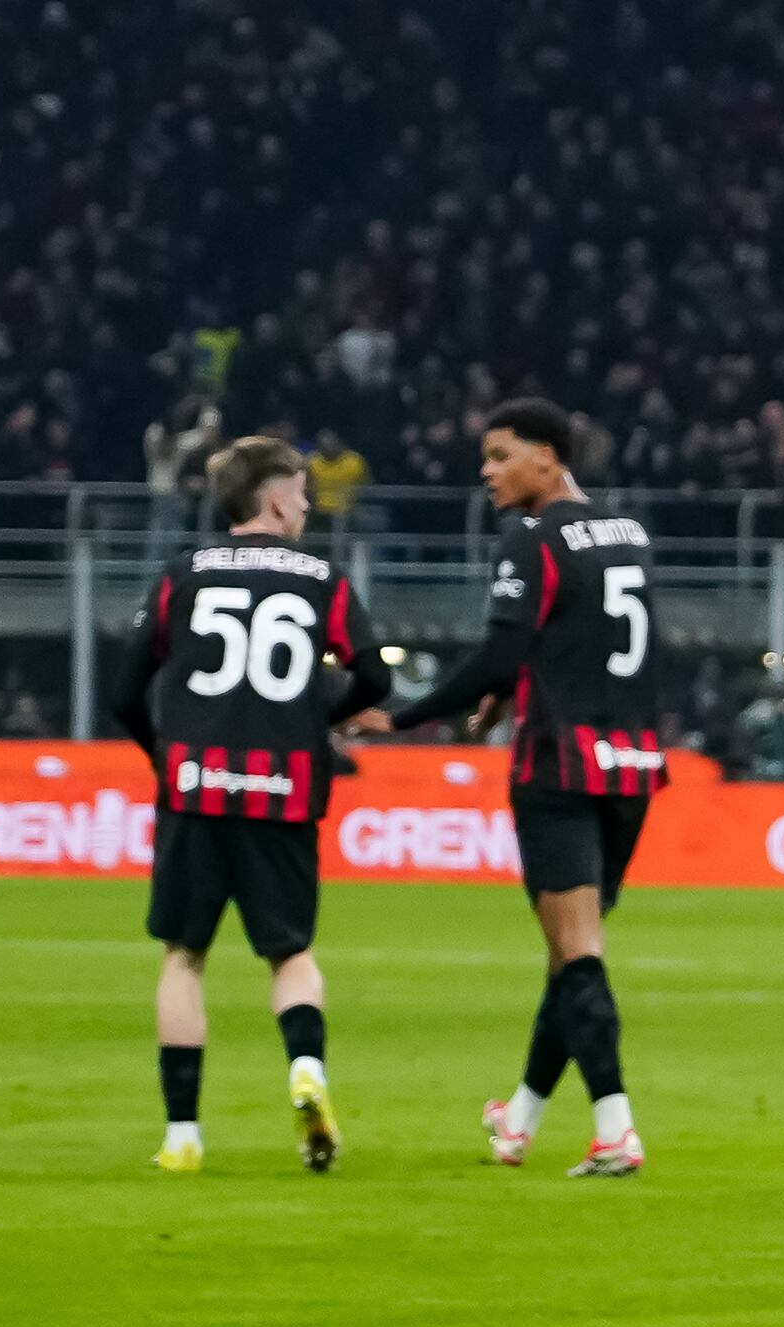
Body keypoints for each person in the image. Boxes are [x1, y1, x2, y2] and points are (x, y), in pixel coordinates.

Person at [350, 398, 666, 1178]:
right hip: (630, 765)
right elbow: (572, 637)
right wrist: (506, 689)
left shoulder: (532, 537)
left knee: (579, 952)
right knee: (569, 957)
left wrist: (406, 716)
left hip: (558, 767)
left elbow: (500, 652)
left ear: (549, 458)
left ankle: (616, 1128)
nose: (486, 473)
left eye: (499, 456)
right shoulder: (627, 532)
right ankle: (520, 1117)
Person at [108, 436, 388, 1175]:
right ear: (271, 499)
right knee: (290, 953)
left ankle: (182, 1136)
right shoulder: (321, 581)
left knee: (185, 957)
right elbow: (374, 680)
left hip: (194, 785)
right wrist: (323, 711)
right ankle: (306, 1070)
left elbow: (121, 693)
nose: (306, 506)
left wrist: (165, 756)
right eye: (300, 494)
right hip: (284, 789)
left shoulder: (182, 576)